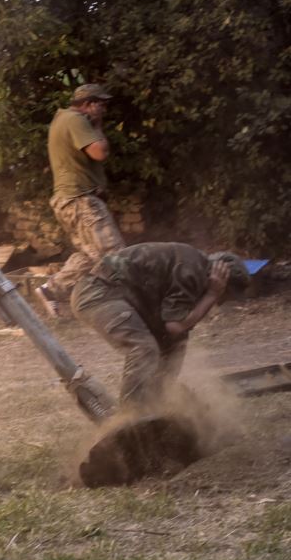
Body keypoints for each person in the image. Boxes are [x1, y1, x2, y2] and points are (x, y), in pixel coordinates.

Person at [70, 242, 249, 411]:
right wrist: (211, 294)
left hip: (119, 294)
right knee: (144, 349)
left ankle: (162, 406)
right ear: (222, 279)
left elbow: (176, 332)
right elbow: (175, 326)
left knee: (174, 346)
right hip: (97, 292)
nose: (223, 301)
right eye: (227, 296)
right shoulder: (193, 270)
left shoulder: (195, 267)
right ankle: (132, 419)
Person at [37, 83, 126, 318]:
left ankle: (49, 291)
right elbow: (99, 152)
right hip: (80, 201)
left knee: (88, 257)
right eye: (101, 105)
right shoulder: (76, 120)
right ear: (88, 104)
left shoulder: (62, 119)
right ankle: (126, 305)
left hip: (70, 201)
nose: (104, 109)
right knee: (115, 254)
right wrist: (97, 124)